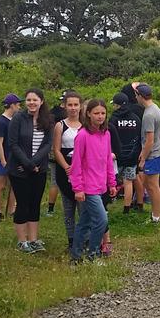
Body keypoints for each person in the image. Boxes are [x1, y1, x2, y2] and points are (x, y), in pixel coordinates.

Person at [70, 98, 118, 263]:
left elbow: (108, 161)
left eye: (103, 113)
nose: (100, 116)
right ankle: (94, 254)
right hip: (88, 187)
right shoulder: (82, 135)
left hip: (101, 185)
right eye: (96, 113)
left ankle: (76, 256)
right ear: (88, 114)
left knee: (84, 222)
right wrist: (78, 188)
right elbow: (76, 164)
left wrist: (111, 183)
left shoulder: (106, 134)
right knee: (101, 220)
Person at [8, 88, 54, 253]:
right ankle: (22, 241)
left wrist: (34, 163)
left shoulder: (47, 119)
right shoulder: (18, 118)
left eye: (35, 100)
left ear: (41, 101)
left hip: (39, 169)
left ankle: (33, 239)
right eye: (28, 100)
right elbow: (13, 144)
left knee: (35, 204)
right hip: (19, 170)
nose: (32, 103)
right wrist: (28, 164)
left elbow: (48, 144)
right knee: (23, 204)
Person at [52, 91, 83, 254]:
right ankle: (71, 241)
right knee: (68, 210)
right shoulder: (60, 125)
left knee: (83, 209)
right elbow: (56, 149)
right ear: (64, 106)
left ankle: (84, 240)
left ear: (80, 106)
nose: (73, 108)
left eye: (76, 104)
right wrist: (66, 167)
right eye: (70, 105)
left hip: (83, 171)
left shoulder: (86, 125)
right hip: (65, 170)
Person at [135, 83, 160, 223]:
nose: (135, 98)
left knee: (153, 186)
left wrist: (143, 159)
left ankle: (156, 216)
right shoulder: (154, 108)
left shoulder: (149, 114)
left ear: (140, 96)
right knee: (148, 183)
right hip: (155, 152)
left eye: (136, 95)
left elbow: (149, 140)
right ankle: (155, 213)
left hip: (153, 154)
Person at [111, 92, 143, 214]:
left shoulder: (114, 119)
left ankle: (105, 205)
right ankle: (127, 209)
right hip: (132, 156)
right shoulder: (136, 118)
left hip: (116, 156)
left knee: (110, 180)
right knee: (128, 181)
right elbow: (139, 137)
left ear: (117, 105)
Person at [0, 93, 21, 220]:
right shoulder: (1, 122)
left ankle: (11, 210)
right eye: (18, 105)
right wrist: (3, 160)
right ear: (12, 105)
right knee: (1, 185)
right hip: (3, 159)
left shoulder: (14, 120)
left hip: (14, 158)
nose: (19, 107)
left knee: (14, 185)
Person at [120, 82, 147, 207]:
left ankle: (132, 202)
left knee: (131, 176)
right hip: (140, 143)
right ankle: (140, 200)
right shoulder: (141, 109)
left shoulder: (125, 111)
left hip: (127, 146)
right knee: (136, 173)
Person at [46, 91, 70, 217]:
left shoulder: (51, 112)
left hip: (52, 150)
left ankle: (50, 208)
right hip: (64, 151)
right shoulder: (68, 115)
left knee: (54, 180)